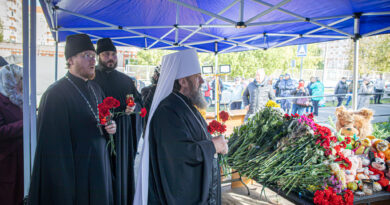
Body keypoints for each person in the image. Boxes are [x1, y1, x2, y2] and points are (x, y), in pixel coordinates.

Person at [29, 34, 117, 205]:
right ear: (70, 60)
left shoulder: (96, 89)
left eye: (93, 56)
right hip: (76, 178)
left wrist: (111, 127)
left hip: (99, 172)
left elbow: (103, 121)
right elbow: (53, 153)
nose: (92, 61)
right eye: (86, 55)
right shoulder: (55, 94)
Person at [134, 49, 228, 204]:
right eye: (197, 77)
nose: (202, 82)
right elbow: (178, 154)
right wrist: (213, 146)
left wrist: (215, 142)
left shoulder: (183, 103)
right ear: (183, 81)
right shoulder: (167, 110)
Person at [93, 38, 143, 205]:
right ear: (99, 56)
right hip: (99, 137)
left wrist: (133, 109)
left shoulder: (126, 80)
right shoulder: (91, 80)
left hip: (122, 138)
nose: (111, 58)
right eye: (106, 54)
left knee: (121, 176)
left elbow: (139, 103)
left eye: (113, 54)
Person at [0, 64, 23, 205]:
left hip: (20, 161)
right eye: (20, 79)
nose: (23, 82)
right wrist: (25, 123)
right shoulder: (1, 101)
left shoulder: (19, 99)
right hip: (7, 164)